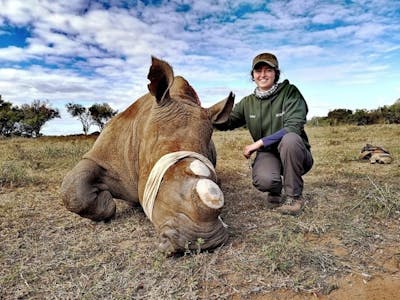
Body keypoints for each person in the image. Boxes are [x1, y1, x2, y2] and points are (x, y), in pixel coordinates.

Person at [215, 52, 313, 215]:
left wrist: (258, 143)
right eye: (258, 71)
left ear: (276, 73)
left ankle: (294, 198)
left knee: (290, 140)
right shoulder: (248, 102)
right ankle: (275, 189)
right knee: (264, 180)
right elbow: (228, 122)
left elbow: (293, 127)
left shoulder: (290, 92)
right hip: (268, 154)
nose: (263, 75)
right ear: (253, 76)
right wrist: (206, 116)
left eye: (268, 70)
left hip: (295, 153)